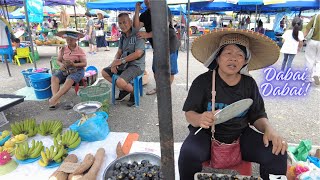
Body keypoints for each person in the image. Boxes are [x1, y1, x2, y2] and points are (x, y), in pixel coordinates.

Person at [178, 29, 287, 180]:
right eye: (228, 53)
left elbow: (258, 115)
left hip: (240, 135)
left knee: (277, 151)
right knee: (188, 154)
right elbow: (189, 113)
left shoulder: (249, 84)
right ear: (218, 57)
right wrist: (200, 118)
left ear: (245, 61)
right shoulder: (203, 82)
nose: (234, 59)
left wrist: (269, 129)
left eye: (240, 55)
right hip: (207, 135)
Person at [134, 0, 180, 95]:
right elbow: (136, 27)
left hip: (170, 43)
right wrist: (137, 10)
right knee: (156, 70)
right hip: (157, 46)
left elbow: (164, 27)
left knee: (170, 71)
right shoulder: (145, 15)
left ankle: (165, 90)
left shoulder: (164, 8)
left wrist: (147, 34)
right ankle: (159, 88)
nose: (147, 1)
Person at [101, 13, 145, 107]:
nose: (122, 25)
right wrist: (114, 62)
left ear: (130, 22)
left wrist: (121, 61)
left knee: (120, 81)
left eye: (124, 22)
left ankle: (133, 91)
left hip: (136, 66)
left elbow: (138, 53)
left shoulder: (138, 34)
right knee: (104, 72)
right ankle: (125, 89)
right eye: (120, 23)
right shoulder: (122, 36)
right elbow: (119, 52)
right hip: (124, 65)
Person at [48, 30, 87, 110]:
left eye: (71, 40)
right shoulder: (63, 49)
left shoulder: (80, 50)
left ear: (76, 40)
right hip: (65, 69)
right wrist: (61, 64)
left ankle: (54, 98)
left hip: (78, 70)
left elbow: (84, 64)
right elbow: (58, 60)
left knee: (69, 79)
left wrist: (74, 64)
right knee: (54, 77)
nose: (69, 41)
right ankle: (56, 99)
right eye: (67, 39)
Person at [304, 14, 320, 85]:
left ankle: (308, 78)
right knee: (319, 60)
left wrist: (302, 39)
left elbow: (307, 29)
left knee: (309, 60)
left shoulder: (316, 16)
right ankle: (317, 74)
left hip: (312, 41)